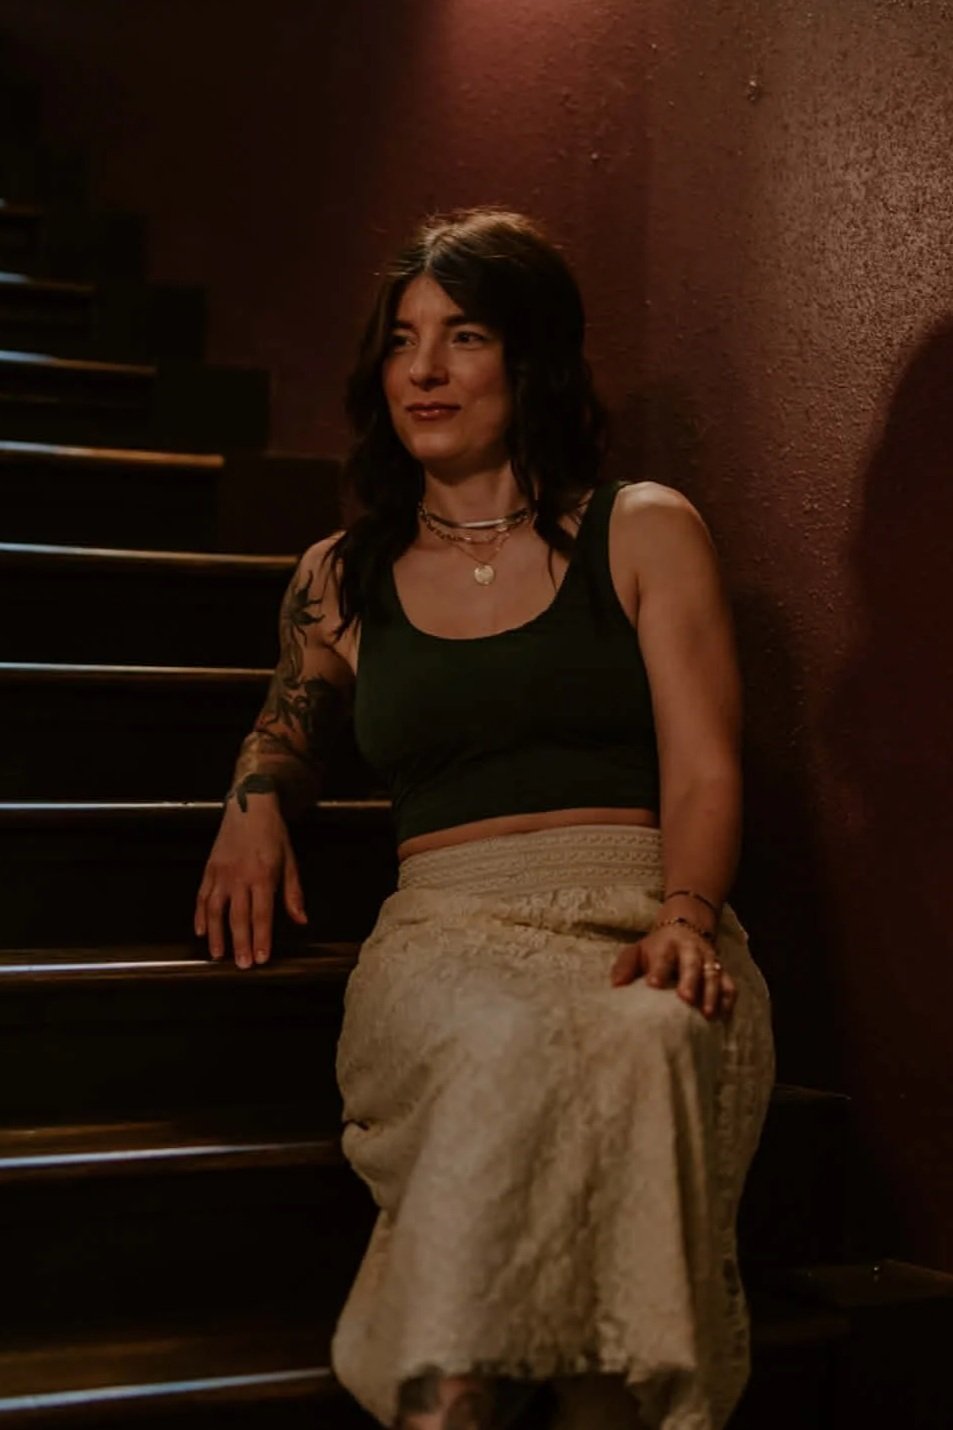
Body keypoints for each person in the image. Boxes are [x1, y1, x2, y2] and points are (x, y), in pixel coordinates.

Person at [194, 208, 775, 1430]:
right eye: (402, 340)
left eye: (462, 336)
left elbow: (708, 766)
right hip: (445, 942)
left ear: (531, 357)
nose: (422, 369)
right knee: (505, 1043)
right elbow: (287, 725)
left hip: (640, 913)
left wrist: (685, 914)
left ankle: (559, 1400)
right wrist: (253, 805)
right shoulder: (337, 576)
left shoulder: (642, 526)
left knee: (652, 1039)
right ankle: (453, 1396)